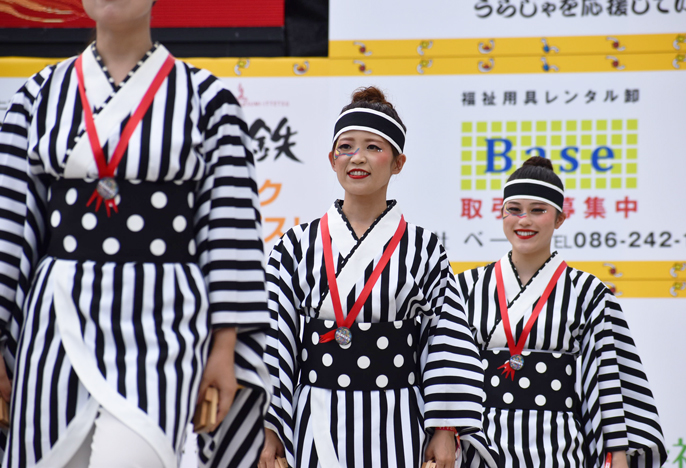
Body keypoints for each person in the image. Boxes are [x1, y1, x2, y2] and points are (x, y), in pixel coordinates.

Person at [0, 0, 270, 466]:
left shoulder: (208, 99)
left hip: (163, 323)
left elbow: (231, 227)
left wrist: (224, 346)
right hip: (57, 319)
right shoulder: (38, 95)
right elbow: (8, 223)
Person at [257, 87, 498, 468]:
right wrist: (270, 428)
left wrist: (445, 429)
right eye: (346, 146)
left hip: (399, 418)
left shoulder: (422, 248)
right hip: (315, 413)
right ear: (331, 159)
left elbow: (447, 340)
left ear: (398, 162)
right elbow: (273, 339)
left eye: (373, 147)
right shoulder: (295, 245)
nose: (357, 158)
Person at [456, 156, 667, 468]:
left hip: (559, 447)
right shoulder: (466, 287)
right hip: (481, 445)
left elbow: (609, 376)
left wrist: (618, 454)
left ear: (559, 219)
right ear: (501, 214)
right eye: (514, 210)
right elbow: (445, 371)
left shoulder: (589, 292)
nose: (523, 220)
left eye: (537, 210)